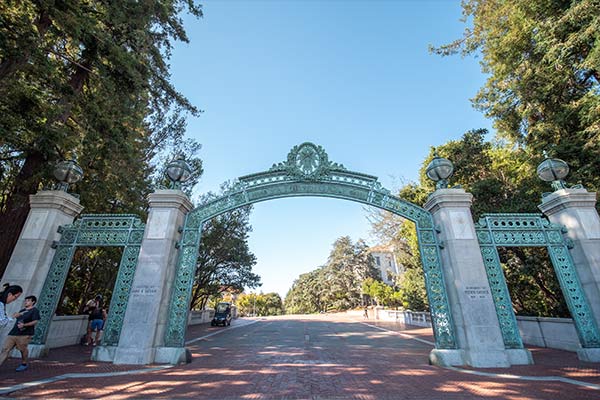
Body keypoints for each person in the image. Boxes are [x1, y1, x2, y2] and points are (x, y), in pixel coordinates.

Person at [0, 295, 40, 372]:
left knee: (22, 349)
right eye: (25, 300)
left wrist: (24, 325)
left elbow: (35, 321)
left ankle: (24, 363)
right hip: (13, 333)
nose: (26, 302)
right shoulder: (21, 311)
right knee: (5, 349)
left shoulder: (35, 311)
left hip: (25, 334)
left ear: (33, 302)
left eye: (28, 300)